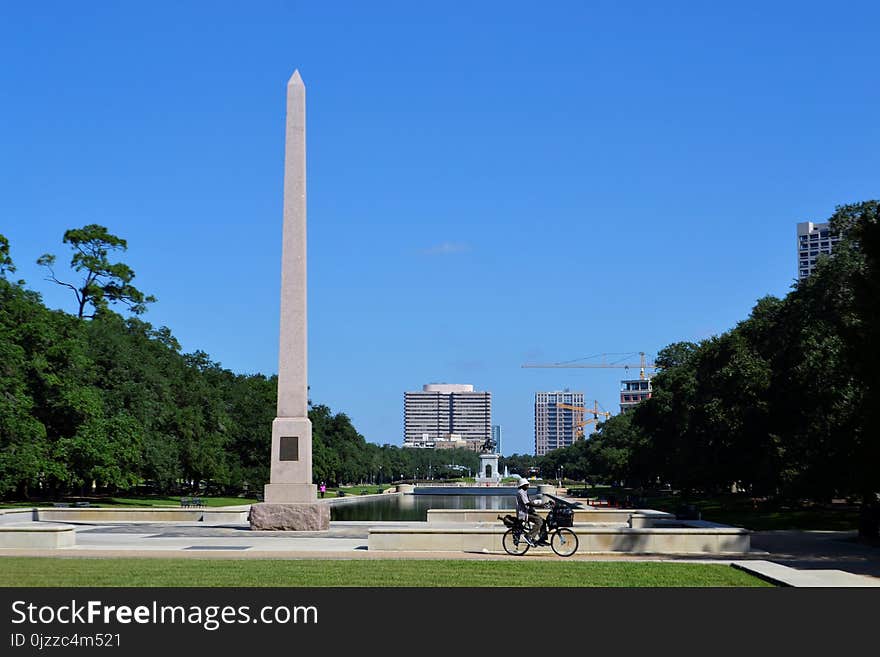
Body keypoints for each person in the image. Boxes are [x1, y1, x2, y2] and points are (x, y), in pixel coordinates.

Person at [515, 479, 546, 546]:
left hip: (528, 512)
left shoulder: (524, 492)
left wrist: (541, 503)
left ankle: (542, 539)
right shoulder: (521, 492)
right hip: (524, 513)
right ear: (522, 485)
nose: (528, 486)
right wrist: (540, 505)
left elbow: (530, 502)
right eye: (527, 485)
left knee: (543, 521)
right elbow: (528, 504)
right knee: (539, 522)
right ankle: (528, 536)